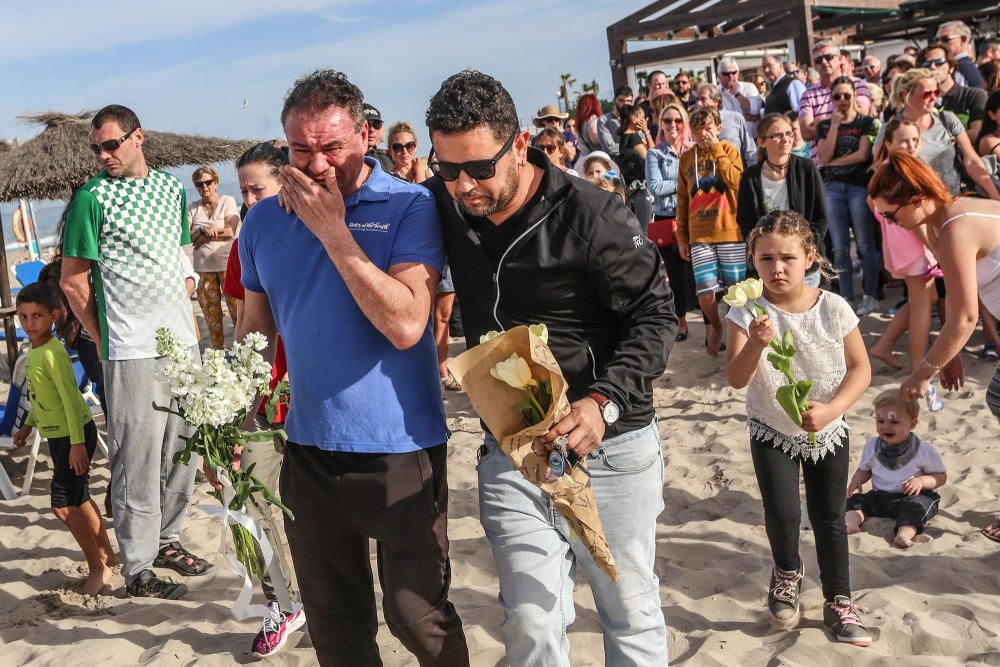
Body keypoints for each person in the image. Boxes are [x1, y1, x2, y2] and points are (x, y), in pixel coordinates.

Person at [424, 68, 675, 667]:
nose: (463, 186)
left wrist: (603, 401)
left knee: (629, 612)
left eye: (479, 168)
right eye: (447, 168)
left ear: (518, 145)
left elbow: (657, 317)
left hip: (607, 444)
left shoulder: (592, 214)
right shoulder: (444, 203)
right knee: (532, 621)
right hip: (510, 444)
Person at [237, 70, 469, 665]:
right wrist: (226, 410)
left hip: (401, 448)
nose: (316, 165)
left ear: (364, 136)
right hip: (307, 450)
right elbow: (254, 336)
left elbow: (406, 324)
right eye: (301, 149)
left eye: (332, 148)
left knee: (417, 617)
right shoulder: (261, 221)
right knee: (336, 627)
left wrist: (333, 230)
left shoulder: (409, 205)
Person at [60, 104, 209, 599]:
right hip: (129, 348)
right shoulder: (91, 198)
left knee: (182, 449)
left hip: (182, 341)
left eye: (111, 144)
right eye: (96, 148)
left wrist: (186, 283)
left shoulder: (170, 188)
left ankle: (167, 540)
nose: (103, 155)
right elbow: (73, 281)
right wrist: (103, 337)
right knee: (136, 457)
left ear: (137, 137)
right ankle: (139, 566)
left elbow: (179, 251)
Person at [725, 210, 872, 645]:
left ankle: (838, 600)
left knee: (829, 517)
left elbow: (861, 369)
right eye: (766, 258)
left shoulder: (834, 307)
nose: (777, 268)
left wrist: (832, 410)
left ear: (809, 257)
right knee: (783, 515)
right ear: (753, 260)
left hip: (828, 427)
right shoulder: (745, 312)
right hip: (771, 426)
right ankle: (787, 572)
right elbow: (736, 378)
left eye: (787, 257)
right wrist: (756, 342)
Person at [869, 152, 1000, 543]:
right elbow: (957, 297)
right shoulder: (943, 218)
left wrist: (922, 372)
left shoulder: (957, 226)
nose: (888, 223)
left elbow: (965, 318)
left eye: (890, 215)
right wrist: (950, 354)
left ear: (914, 200)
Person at [220, 141, 305, 659]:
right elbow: (244, 326)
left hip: (315, 396)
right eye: (244, 190)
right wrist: (234, 405)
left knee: (311, 509)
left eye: (259, 188)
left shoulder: (322, 233)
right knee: (251, 500)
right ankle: (283, 601)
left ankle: (315, 596)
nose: (250, 199)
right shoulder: (244, 242)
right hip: (264, 396)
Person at [11, 283, 115, 596]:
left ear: (54, 315)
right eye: (23, 317)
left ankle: (98, 568)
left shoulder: (53, 354)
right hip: (60, 435)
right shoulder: (36, 350)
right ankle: (107, 554)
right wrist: (28, 426)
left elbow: (71, 400)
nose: (29, 323)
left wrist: (77, 445)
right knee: (80, 497)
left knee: (63, 506)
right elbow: (41, 397)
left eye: (37, 316)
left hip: (73, 435)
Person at [868, 119, 942, 373]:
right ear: (888, 144)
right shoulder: (901, 171)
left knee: (924, 298)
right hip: (915, 246)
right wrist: (935, 248)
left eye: (914, 139)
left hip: (901, 246)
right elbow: (919, 221)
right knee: (922, 305)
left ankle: (885, 344)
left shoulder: (886, 169)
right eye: (903, 141)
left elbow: (873, 204)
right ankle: (918, 363)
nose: (911, 145)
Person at [677, 105, 745, 356]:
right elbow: (682, 201)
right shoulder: (686, 158)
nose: (703, 134)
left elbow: (737, 182)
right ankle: (715, 325)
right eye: (697, 129)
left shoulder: (728, 150)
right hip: (699, 235)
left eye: (707, 128)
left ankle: (736, 337)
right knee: (705, 290)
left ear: (718, 128)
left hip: (730, 232)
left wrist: (717, 148)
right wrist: (682, 236)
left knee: (736, 291)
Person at [874, 69, 1000, 199]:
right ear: (906, 94)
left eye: (936, 92)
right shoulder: (889, 130)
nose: (934, 98)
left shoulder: (947, 119)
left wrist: (995, 196)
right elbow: (880, 175)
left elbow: (972, 161)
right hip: (919, 205)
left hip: (956, 198)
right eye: (927, 94)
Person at [737, 113, 828, 289]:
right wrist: (761, 252)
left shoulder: (806, 168)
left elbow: (821, 216)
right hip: (769, 266)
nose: (785, 139)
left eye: (789, 133)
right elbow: (745, 221)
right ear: (762, 141)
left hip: (803, 262)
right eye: (777, 135)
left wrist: (807, 248)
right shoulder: (750, 177)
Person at [845, 391, 946, 549]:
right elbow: (865, 469)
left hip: (911, 496)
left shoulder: (922, 450)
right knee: (854, 501)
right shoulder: (872, 446)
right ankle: (851, 524)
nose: (885, 426)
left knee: (916, 507)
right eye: (880, 420)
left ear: (912, 424)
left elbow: (940, 477)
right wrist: (857, 479)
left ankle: (904, 534)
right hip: (881, 497)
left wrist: (921, 481)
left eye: (894, 422)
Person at [816, 77, 880, 315]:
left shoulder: (867, 122)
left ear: (854, 96)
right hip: (833, 187)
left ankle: (871, 295)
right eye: (837, 96)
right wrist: (834, 126)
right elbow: (823, 156)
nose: (842, 101)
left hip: (858, 186)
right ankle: (847, 298)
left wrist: (831, 161)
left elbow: (862, 155)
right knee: (840, 248)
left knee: (865, 244)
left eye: (846, 95)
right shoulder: (824, 125)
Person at [647, 102, 696, 341]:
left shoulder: (693, 150)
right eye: (667, 120)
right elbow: (654, 187)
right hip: (668, 219)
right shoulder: (654, 154)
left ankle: (711, 328)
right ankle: (682, 321)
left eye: (677, 120)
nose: (673, 125)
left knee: (697, 272)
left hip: (693, 216)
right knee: (675, 274)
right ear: (661, 125)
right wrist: (686, 184)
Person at [188, 166, 239, 350]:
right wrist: (202, 230)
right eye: (199, 184)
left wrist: (202, 236)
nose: (204, 187)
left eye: (208, 182)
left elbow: (230, 232)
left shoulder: (228, 201)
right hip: (203, 269)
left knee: (236, 311)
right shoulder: (193, 208)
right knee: (212, 315)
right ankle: (218, 356)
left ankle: (243, 352)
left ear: (215, 182)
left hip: (227, 266)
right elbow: (185, 236)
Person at [799, 40, 873, 160]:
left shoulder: (858, 85)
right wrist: (841, 120)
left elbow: (860, 118)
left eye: (828, 57)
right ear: (815, 65)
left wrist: (821, 124)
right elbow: (806, 133)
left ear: (840, 59)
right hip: (823, 167)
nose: (824, 62)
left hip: (856, 160)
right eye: (818, 60)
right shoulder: (808, 95)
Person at [921, 45, 988, 145]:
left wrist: (940, 141)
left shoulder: (974, 95)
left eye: (939, 62)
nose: (932, 67)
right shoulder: (921, 101)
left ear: (951, 67)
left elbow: (976, 133)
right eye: (927, 64)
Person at [695, 83, 757, 167]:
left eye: (703, 99)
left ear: (716, 101)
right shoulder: (694, 124)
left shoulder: (735, 119)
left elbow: (750, 151)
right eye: (697, 99)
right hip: (708, 177)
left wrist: (751, 177)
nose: (698, 103)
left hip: (737, 175)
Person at [618, 104, 655, 232]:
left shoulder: (623, 138)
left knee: (639, 227)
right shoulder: (633, 138)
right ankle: (642, 250)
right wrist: (647, 132)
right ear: (634, 119)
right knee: (645, 229)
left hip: (633, 189)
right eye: (643, 118)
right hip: (642, 188)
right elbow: (652, 157)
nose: (645, 121)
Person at [717, 56, 764, 133]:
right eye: (726, 74)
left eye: (734, 73)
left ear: (738, 73)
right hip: (729, 139)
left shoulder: (749, 87)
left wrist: (737, 94)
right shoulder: (715, 92)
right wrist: (743, 117)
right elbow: (720, 117)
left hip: (752, 138)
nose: (731, 76)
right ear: (718, 76)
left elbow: (755, 110)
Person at [935, 21, 985, 89]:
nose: (939, 44)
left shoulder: (962, 69)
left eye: (945, 39)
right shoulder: (960, 66)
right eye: (937, 40)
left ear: (963, 40)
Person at [597, 85, 633, 156]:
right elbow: (610, 148)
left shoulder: (634, 118)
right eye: (621, 100)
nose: (625, 104)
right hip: (616, 163)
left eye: (628, 101)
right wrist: (635, 147)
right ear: (614, 100)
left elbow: (643, 141)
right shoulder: (604, 120)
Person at [363, 103, 396, 174]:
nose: (371, 129)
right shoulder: (347, 159)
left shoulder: (392, 156)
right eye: (366, 125)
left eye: (376, 124)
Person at [574, 92, 603, 160]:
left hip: (583, 159)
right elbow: (595, 140)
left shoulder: (580, 122)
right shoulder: (593, 119)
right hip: (596, 160)